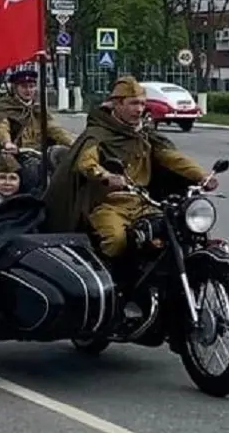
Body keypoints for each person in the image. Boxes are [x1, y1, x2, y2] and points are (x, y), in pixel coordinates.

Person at [44, 76, 217, 317]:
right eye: (133, 103)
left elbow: (170, 157)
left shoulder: (143, 134)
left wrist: (201, 176)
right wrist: (105, 176)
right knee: (116, 240)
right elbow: (86, 162)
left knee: (176, 233)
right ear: (117, 104)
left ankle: (167, 290)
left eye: (142, 103)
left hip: (143, 201)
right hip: (108, 204)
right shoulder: (97, 134)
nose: (139, 109)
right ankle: (115, 293)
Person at [0, 69, 74, 189]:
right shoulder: (5, 107)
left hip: (38, 154)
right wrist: (7, 143)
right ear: (15, 88)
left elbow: (55, 129)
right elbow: (1, 126)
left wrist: (73, 142)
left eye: (31, 86)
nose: (28, 90)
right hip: (13, 154)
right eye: (24, 87)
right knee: (25, 175)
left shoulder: (38, 109)